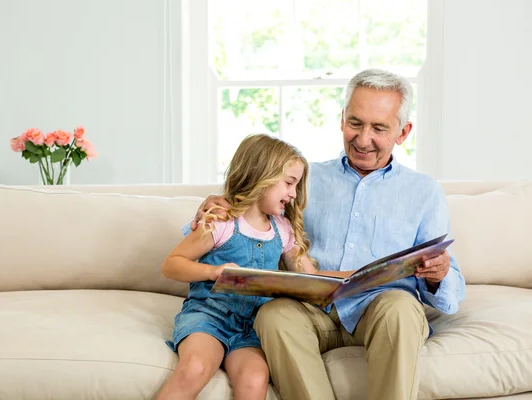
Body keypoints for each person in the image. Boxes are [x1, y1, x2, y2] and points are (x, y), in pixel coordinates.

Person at [189, 69, 466, 400]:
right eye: (355, 123)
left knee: (401, 309)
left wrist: (438, 274)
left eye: (379, 128)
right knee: (273, 315)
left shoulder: (424, 192)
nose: (363, 139)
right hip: (309, 309)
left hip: (380, 310)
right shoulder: (303, 178)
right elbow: (249, 209)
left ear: (403, 132)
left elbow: (449, 296)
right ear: (341, 120)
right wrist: (225, 202)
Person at [157, 134, 321, 400]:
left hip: (252, 328)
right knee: (195, 368)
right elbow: (171, 265)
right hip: (209, 317)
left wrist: (366, 275)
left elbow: (311, 278)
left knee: (254, 380)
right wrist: (213, 272)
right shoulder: (221, 221)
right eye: (289, 183)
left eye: (296, 185)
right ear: (261, 176)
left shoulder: (282, 229)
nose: (293, 194)